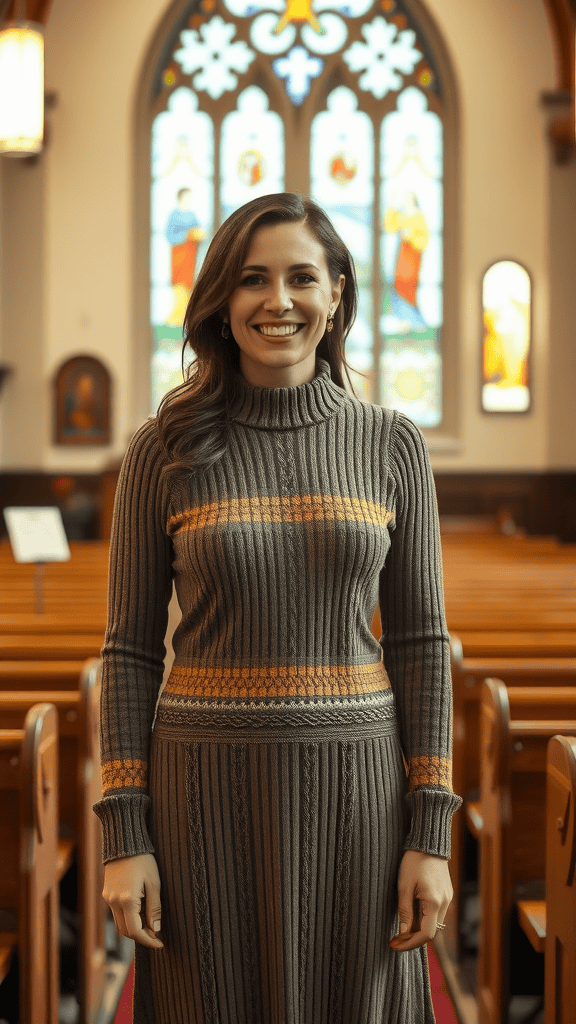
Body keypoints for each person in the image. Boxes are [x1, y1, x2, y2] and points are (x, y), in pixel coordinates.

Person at [94, 192, 462, 1023]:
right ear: (222, 301)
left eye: (302, 277)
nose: (279, 301)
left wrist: (429, 831)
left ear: (336, 295)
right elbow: (127, 652)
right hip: (202, 792)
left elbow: (419, 644)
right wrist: (127, 834)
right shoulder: (165, 450)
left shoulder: (391, 444)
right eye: (253, 279)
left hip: (357, 794)